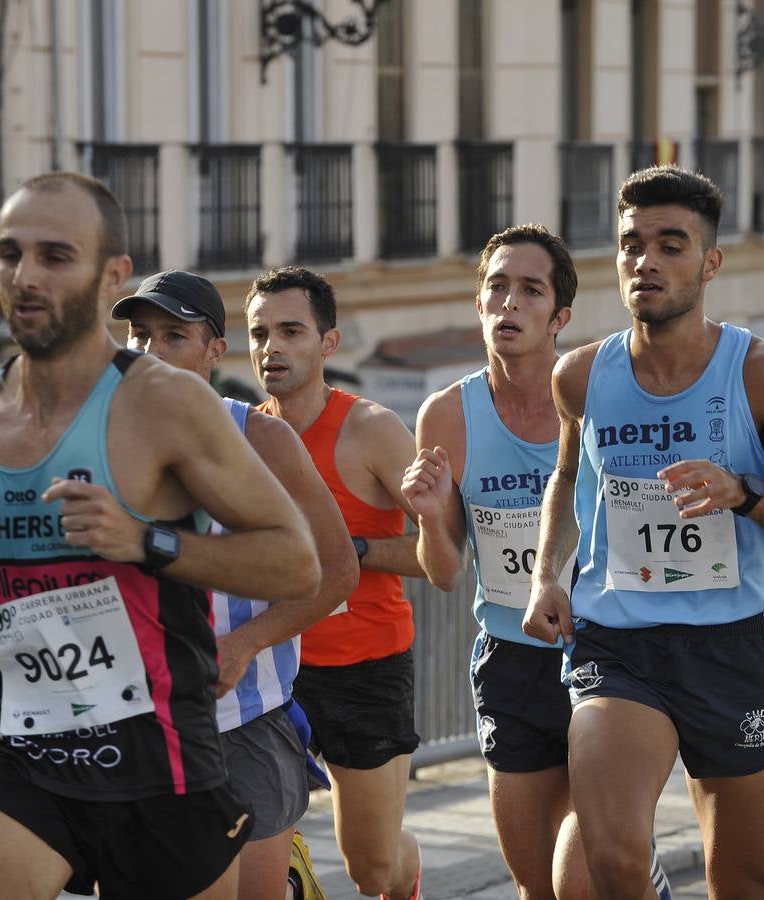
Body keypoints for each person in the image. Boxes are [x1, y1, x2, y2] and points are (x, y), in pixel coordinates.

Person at [0, 172, 320, 900]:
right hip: (17, 738)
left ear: (111, 275)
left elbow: (296, 564)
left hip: (157, 752)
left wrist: (145, 542)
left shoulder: (166, 404)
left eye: (55, 256)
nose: (25, 276)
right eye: (10, 253)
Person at [522, 165, 764, 899]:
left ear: (709, 264)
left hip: (729, 645)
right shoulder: (579, 377)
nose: (644, 261)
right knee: (604, 864)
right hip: (617, 643)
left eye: (670, 244)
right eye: (630, 244)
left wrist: (743, 494)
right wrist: (546, 574)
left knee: (740, 882)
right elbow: (565, 480)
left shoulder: (760, 374)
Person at [400, 224, 672, 900]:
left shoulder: (597, 396)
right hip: (511, 658)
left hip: (608, 657)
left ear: (559, 317)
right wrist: (433, 518)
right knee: (535, 884)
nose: (508, 303)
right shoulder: (446, 416)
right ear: (478, 303)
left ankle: (640, 871)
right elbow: (440, 571)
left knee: (578, 879)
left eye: (529, 290)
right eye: (496, 286)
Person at [110, 269, 356, 900]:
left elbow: (337, 572)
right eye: (138, 335)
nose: (149, 351)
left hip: (242, 718)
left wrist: (245, 643)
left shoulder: (261, 438)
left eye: (172, 335)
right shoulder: (98, 442)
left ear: (214, 352)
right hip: (136, 722)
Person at [246, 266, 426, 900]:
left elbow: (443, 550)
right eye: (259, 332)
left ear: (329, 343)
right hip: (267, 671)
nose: (272, 347)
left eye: (291, 331)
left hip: (364, 665)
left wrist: (347, 550)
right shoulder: (239, 435)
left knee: (373, 866)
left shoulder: (373, 429)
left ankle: (406, 879)